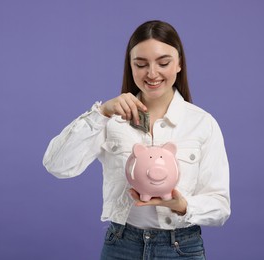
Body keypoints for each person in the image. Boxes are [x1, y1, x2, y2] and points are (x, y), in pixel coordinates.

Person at [43, 20, 230, 260]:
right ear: (130, 67)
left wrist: (183, 205)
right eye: (141, 64)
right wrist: (101, 114)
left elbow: (221, 207)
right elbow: (57, 165)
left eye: (163, 63)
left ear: (180, 64)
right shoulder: (111, 119)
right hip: (122, 245)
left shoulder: (202, 124)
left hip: (181, 248)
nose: (152, 74)